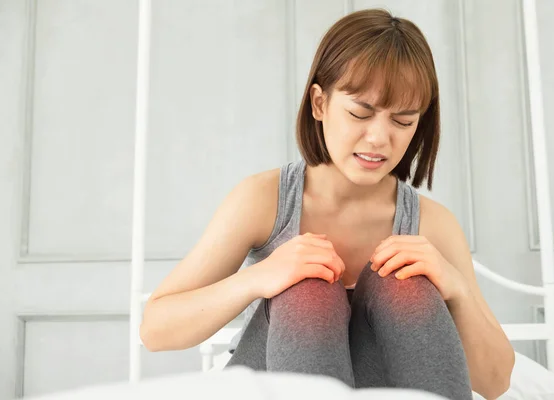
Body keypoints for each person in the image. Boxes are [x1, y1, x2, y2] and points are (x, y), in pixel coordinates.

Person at [140, 8, 515, 400]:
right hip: (276, 379)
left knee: (407, 285)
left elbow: (496, 382)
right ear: (319, 104)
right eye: (359, 113)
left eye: (403, 122)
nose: (378, 139)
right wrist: (262, 277)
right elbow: (155, 329)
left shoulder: (432, 225)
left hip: (387, 381)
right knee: (308, 288)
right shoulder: (263, 199)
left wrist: (456, 288)